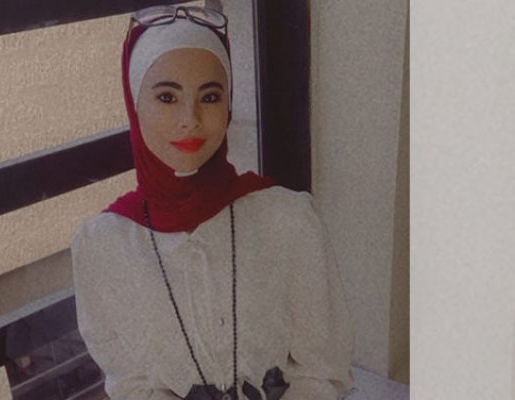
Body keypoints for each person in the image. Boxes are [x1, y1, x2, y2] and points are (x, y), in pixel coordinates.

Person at [71, 5, 353, 400]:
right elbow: (130, 383)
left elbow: (322, 371)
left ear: (228, 105)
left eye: (210, 96)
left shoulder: (288, 219)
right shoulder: (102, 246)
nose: (190, 118)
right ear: (135, 106)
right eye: (167, 97)